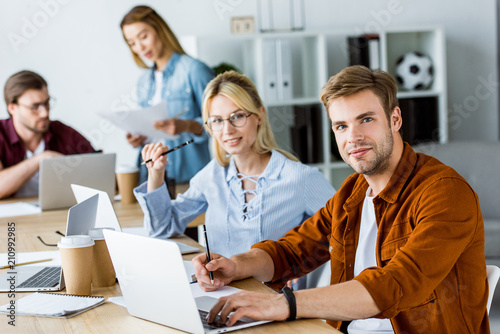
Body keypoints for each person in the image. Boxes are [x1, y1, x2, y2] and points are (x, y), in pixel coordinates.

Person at [192, 66, 489, 333]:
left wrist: (284, 305)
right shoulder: (353, 191)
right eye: (341, 126)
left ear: (394, 119)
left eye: (366, 120)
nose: (353, 138)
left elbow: (396, 284)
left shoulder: (445, 192)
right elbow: (292, 252)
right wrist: (236, 265)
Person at [135, 71, 335, 288]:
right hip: (220, 292)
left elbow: (346, 233)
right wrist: (156, 174)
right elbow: (162, 228)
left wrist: (305, 266)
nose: (227, 130)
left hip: (275, 301)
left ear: (259, 115)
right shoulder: (212, 175)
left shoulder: (301, 178)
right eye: (217, 121)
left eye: (237, 116)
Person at [120, 5, 214, 185]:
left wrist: (186, 125)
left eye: (143, 37)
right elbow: (153, 131)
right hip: (149, 178)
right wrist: (139, 137)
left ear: (159, 29)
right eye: (132, 43)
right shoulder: (144, 81)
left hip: (187, 180)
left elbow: (219, 125)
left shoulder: (194, 71)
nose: (139, 47)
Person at [0, 70, 97, 199]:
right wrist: (40, 160)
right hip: (13, 218)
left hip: (55, 216)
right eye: (35, 107)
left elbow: (99, 170)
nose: (44, 113)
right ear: (12, 108)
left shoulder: (63, 133)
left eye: (46, 103)